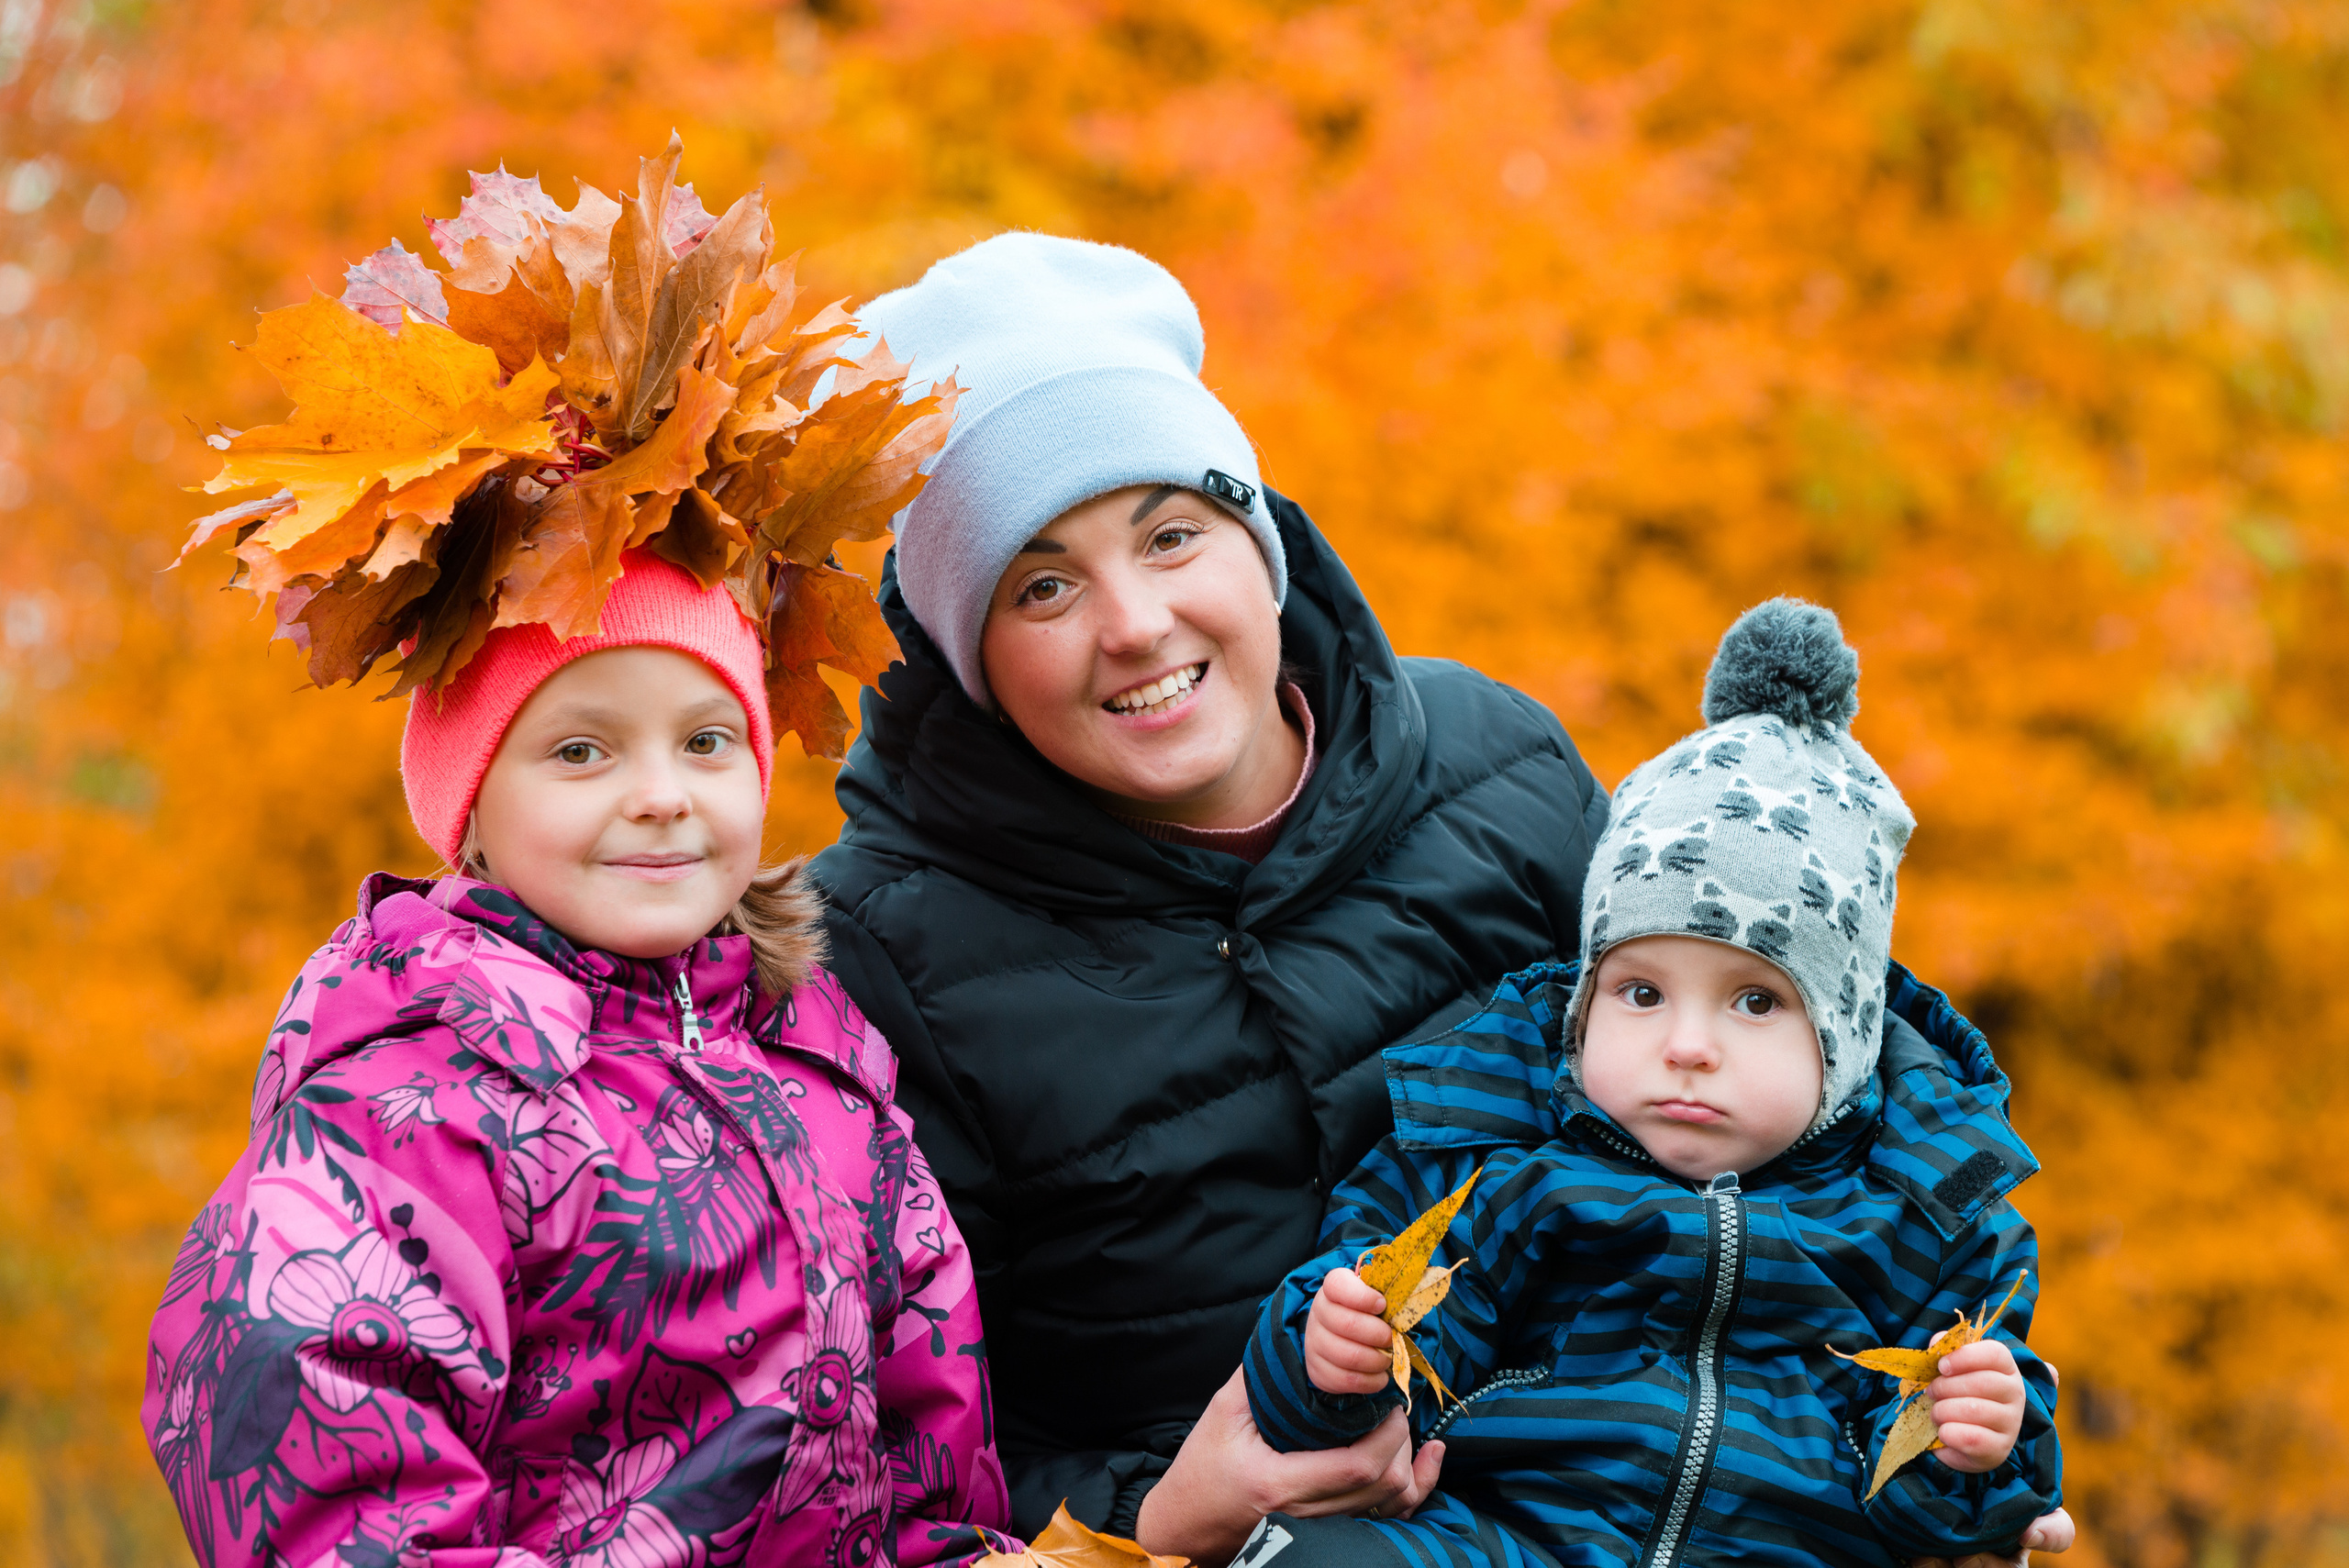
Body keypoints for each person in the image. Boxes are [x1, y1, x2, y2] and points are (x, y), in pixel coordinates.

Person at [810, 230, 1611, 1559]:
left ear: (1260, 541)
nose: (1132, 624)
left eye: (1172, 534)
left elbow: (1786, 1108)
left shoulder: (1502, 765)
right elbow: (881, 1468)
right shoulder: (879, 960)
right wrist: (1164, 1514)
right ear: (974, 662)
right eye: (1044, 583)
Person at [141, 551, 1013, 1565]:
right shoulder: (405, 1109)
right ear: (469, 804)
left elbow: (934, 1452)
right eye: (581, 751)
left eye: (704, 740)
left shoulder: (828, 1067)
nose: (659, 793)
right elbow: (336, 1509)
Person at [1241, 599, 2064, 1566]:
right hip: (1509, 1539)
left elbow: (1956, 1511)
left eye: (1754, 1002)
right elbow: (1371, 1361)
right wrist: (1332, 1354)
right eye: (1639, 991)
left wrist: (1983, 1442)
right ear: (1585, 1002)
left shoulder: (1920, 1213)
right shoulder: (1498, 1146)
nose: (1685, 1044)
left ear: (1843, 1042)